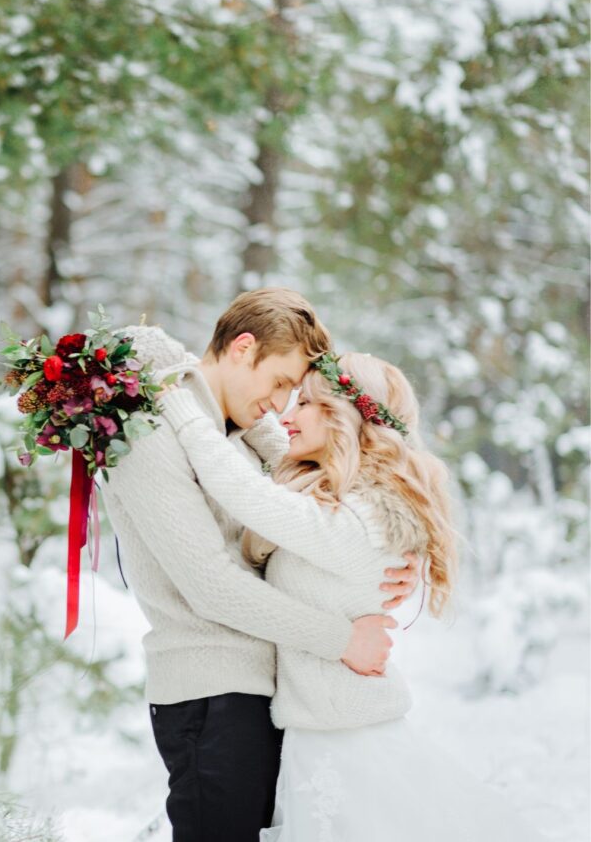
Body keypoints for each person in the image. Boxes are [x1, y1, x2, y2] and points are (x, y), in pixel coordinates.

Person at [156, 350, 543, 841]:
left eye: (307, 404)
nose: (286, 415)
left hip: (346, 745)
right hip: (318, 737)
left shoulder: (362, 520)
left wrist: (184, 412)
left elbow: (246, 496)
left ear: (347, 417)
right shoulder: (348, 501)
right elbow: (279, 488)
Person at [102, 288, 420, 842]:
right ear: (242, 348)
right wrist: (342, 639)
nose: (281, 404)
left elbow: (332, 491)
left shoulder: (239, 430)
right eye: (278, 384)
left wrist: (394, 550)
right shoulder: (150, 431)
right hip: (210, 692)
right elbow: (212, 587)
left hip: (265, 692)